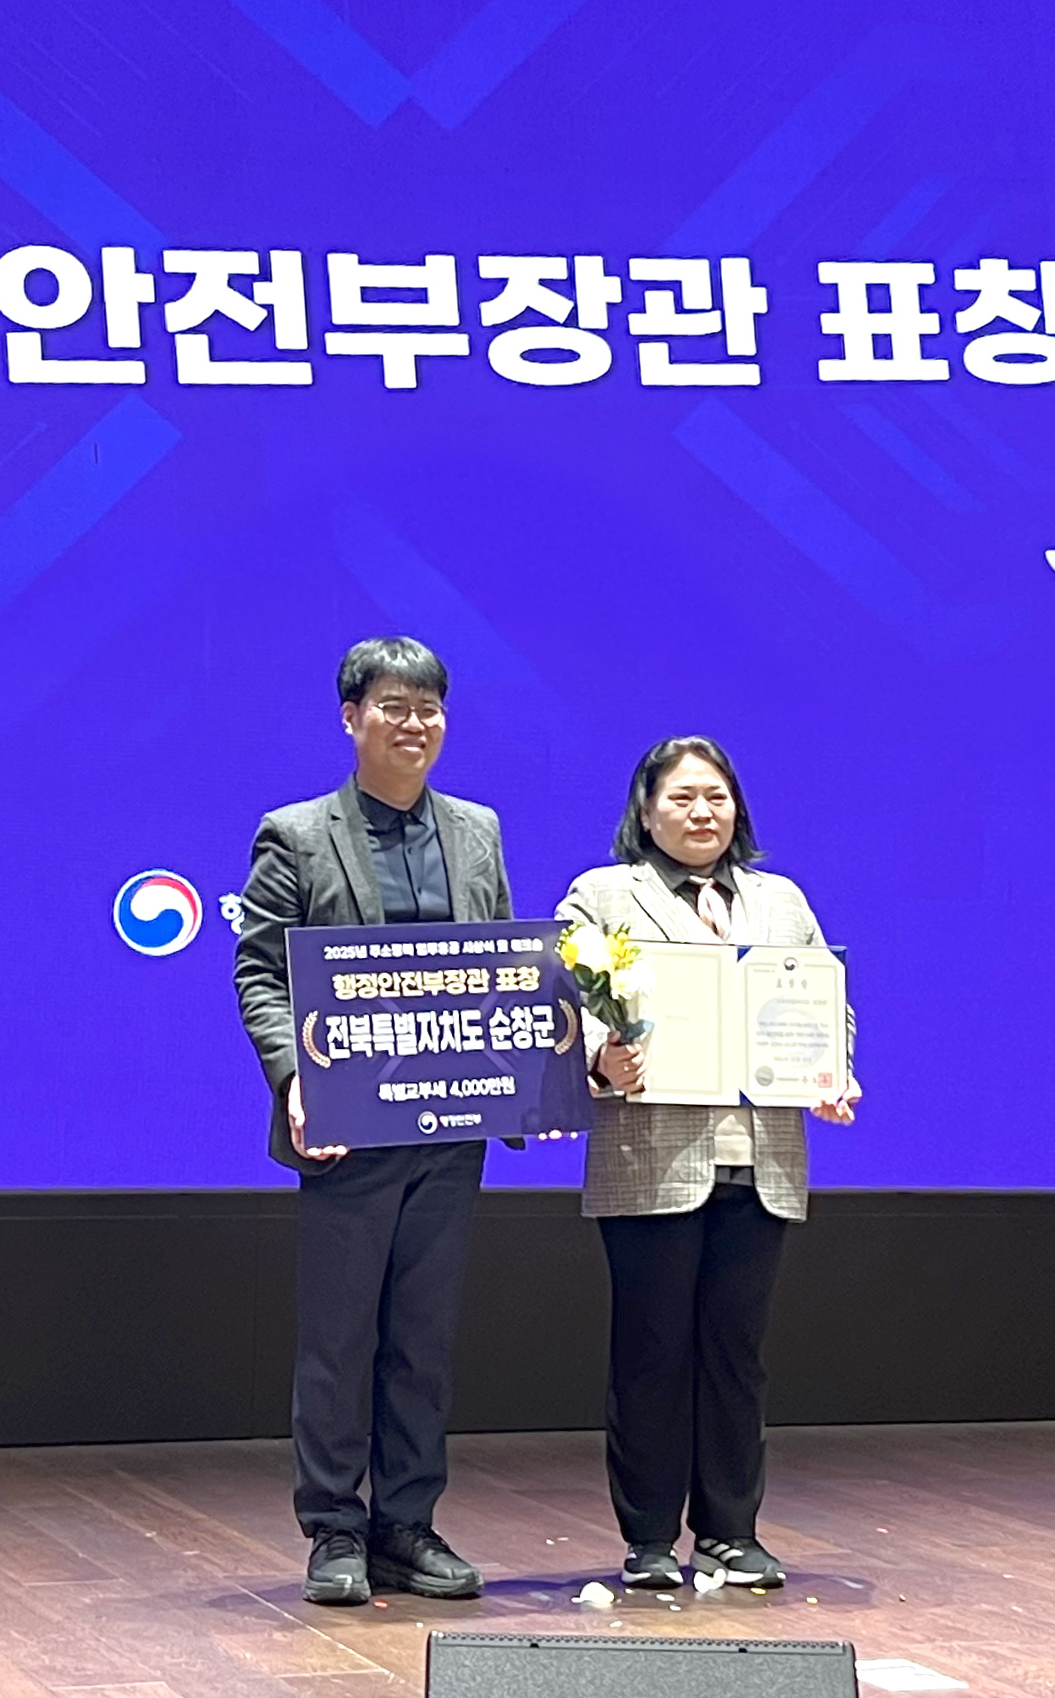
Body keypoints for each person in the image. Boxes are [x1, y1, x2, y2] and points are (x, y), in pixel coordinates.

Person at [233, 637, 514, 1604]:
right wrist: (294, 1076)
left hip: (450, 1126)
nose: (414, 723)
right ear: (351, 718)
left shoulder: (476, 830)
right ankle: (333, 1530)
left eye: (429, 708)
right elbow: (261, 972)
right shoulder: (297, 834)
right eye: (393, 706)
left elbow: (502, 967)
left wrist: (536, 1078)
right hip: (347, 1128)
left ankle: (407, 1525)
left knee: (423, 1341)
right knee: (340, 1339)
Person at [555, 737, 859, 1595]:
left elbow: (825, 1004)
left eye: (716, 797)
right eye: (682, 797)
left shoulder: (780, 901)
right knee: (651, 1351)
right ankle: (650, 1537)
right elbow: (563, 1006)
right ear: (646, 810)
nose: (701, 813)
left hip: (759, 1159)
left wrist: (835, 1071)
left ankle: (731, 1532)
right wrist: (599, 1059)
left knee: (737, 1352)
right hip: (649, 1155)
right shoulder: (605, 895)